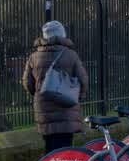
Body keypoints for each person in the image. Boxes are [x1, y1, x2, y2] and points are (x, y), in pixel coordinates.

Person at [22, 20, 91, 152]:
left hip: (44, 108)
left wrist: (41, 93)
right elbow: (83, 80)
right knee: (65, 148)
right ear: (62, 35)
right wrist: (77, 97)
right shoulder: (71, 55)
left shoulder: (34, 57)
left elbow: (27, 83)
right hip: (66, 107)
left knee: (49, 146)